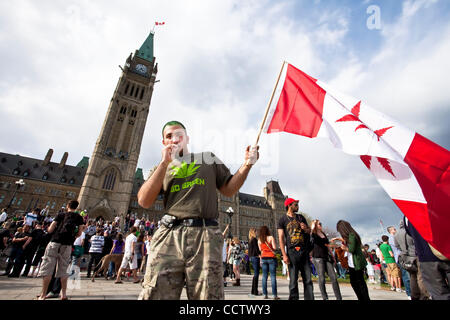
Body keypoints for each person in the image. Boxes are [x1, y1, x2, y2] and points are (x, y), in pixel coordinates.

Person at [137, 120, 258, 300]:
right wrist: (164, 164)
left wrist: (247, 164)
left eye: (179, 135)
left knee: (208, 296)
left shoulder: (207, 158)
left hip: (205, 234)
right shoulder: (160, 168)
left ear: (187, 139)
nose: (174, 139)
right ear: (164, 142)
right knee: (155, 293)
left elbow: (229, 189)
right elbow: (144, 201)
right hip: (168, 234)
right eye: (169, 136)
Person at [36, 200, 85, 300]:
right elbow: (79, 233)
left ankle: (43, 294)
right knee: (63, 269)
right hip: (67, 244)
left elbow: (50, 229)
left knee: (48, 268)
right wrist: (73, 237)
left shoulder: (61, 214)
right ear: (77, 207)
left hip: (55, 242)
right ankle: (63, 294)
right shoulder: (79, 217)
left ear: (67, 205)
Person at [404, 217, 449, 300]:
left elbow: (410, 232)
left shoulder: (408, 215)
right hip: (444, 251)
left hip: (425, 256)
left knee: (439, 293)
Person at [277, 198, 313, 300]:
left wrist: (306, 229)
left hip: (304, 250)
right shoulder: (282, 220)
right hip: (292, 252)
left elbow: (309, 231)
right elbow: (281, 238)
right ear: (289, 205)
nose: (297, 206)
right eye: (295, 204)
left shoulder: (301, 217)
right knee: (293, 280)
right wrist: (284, 255)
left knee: (308, 280)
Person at [334, 220, 370, 301]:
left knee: (359, 283)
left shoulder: (352, 235)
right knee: (356, 282)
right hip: (352, 263)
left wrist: (344, 248)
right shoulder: (349, 236)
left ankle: (364, 298)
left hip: (356, 263)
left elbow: (352, 249)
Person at [395, 218, 429, 300]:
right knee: (420, 277)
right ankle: (424, 295)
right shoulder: (410, 231)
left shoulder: (396, 234)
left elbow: (397, 246)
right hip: (415, 255)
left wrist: (404, 250)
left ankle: (414, 294)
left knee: (412, 277)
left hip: (406, 257)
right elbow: (416, 242)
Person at [311, 219, 342, 300]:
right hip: (318, 258)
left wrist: (332, 256)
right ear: (315, 225)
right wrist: (312, 227)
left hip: (326, 257)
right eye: (318, 224)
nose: (320, 225)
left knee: (334, 278)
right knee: (322, 278)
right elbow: (311, 237)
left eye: (321, 223)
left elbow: (327, 245)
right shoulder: (313, 234)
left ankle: (339, 298)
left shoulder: (323, 234)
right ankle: (325, 297)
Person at [388, 226, 411, 297]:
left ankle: (410, 291)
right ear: (391, 231)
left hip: (400, 256)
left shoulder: (394, 237)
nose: (396, 230)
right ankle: (409, 293)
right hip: (399, 256)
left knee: (407, 274)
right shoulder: (392, 238)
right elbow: (397, 246)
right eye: (394, 229)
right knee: (406, 275)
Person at [258, 226, 279, 300]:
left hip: (264, 258)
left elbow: (260, 249)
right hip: (271, 257)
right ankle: (274, 295)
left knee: (264, 276)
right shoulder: (271, 237)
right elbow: (275, 247)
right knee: (273, 276)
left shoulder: (259, 240)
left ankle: (265, 294)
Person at [248, 227, 261, 297]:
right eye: (256, 231)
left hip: (252, 258)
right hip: (255, 258)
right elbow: (256, 250)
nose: (257, 233)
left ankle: (253, 290)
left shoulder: (250, 240)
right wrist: (260, 254)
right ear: (253, 232)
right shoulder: (254, 240)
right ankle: (255, 291)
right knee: (256, 274)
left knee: (255, 275)